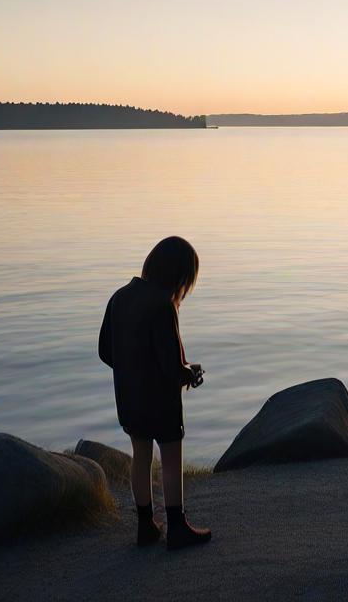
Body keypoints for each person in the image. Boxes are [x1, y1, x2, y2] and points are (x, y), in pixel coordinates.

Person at [98, 236, 212, 550]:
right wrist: (191, 373)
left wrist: (131, 369)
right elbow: (170, 366)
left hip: (130, 396)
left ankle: (146, 526)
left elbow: (105, 352)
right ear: (179, 276)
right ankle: (177, 528)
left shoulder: (119, 297)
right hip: (161, 401)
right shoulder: (163, 305)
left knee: (141, 456)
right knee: (171, 458)